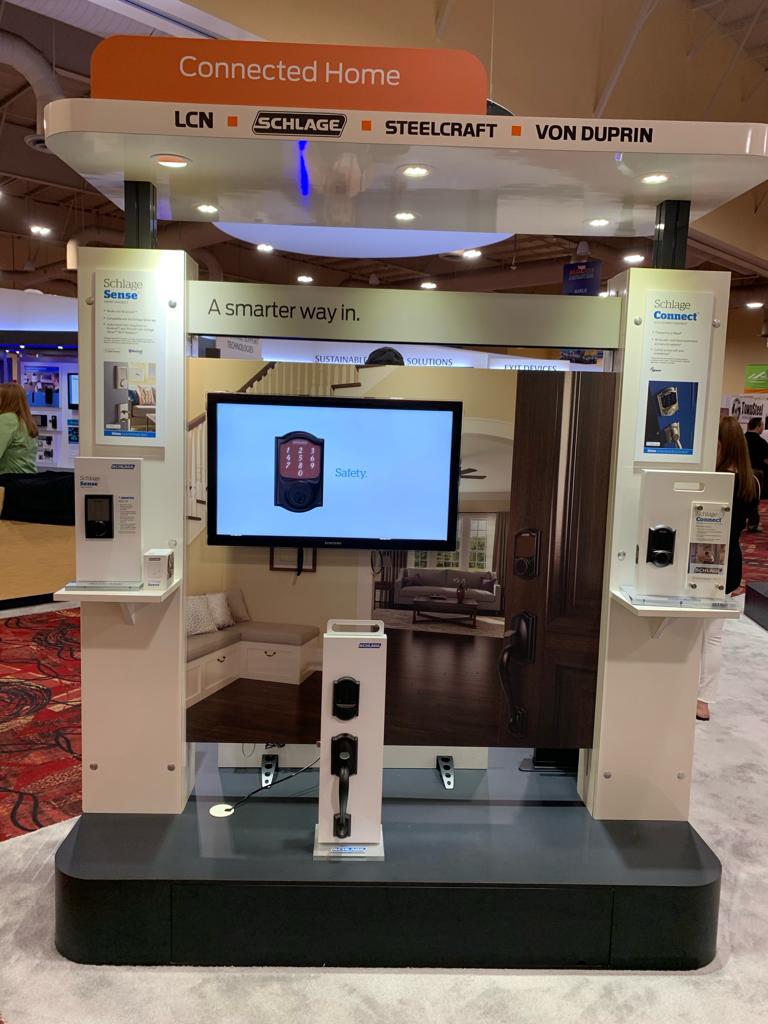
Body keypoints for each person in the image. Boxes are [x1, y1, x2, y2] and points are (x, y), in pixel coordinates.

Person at [697, 416, 760, 721]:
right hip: (732, 561)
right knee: (713, 636)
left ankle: (684, 691)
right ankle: (703, 701)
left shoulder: (715, 480)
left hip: (704, 560)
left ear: (720, 445)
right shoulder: (751, 483)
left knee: (691, 634)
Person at [0, 382, 39, 475]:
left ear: (6, 400)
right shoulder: (24, 420)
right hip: (27, 478)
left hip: (10, 479)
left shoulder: (7, 419)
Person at [744, 416, 768, 531]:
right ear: (758, 426)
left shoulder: (742, 439)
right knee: (754, 499)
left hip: (743, 471)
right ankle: (753, 524)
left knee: (742, 497)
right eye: (762, 425)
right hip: (757, 474)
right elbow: (766, 460)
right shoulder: (761, 442)